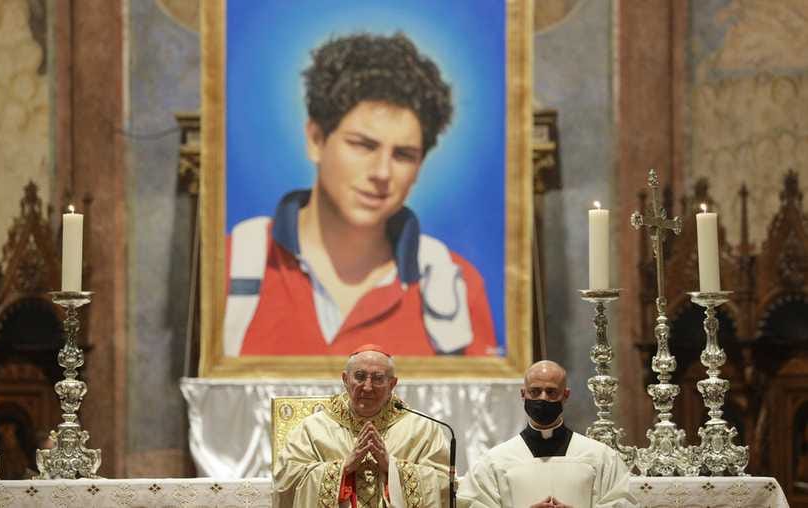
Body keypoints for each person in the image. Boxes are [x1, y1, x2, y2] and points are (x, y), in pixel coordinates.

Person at [225, 32, 497, 357]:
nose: (382, 172)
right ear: (315, 139)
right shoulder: (230, 266)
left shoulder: (457, 287)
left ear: (420, 165)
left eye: (403, 155)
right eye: (363, 145)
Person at [273, 344, 449, 507]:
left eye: (378, 378)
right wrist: (343, 468)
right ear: (345, 379)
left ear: (392, 384)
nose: (367, 387)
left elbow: (444, 484)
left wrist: (392, 467)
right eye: (359, 376)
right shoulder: (312, 428)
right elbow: (286, 480)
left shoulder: (423, 429)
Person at [457, 361, 636, 508]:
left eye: (551, 392)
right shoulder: (494, 461)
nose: (542, 398)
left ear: (565, 395)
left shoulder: (601, 457)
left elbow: (622, 502)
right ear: (523, 394)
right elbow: (473, 504)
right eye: (535, 392)